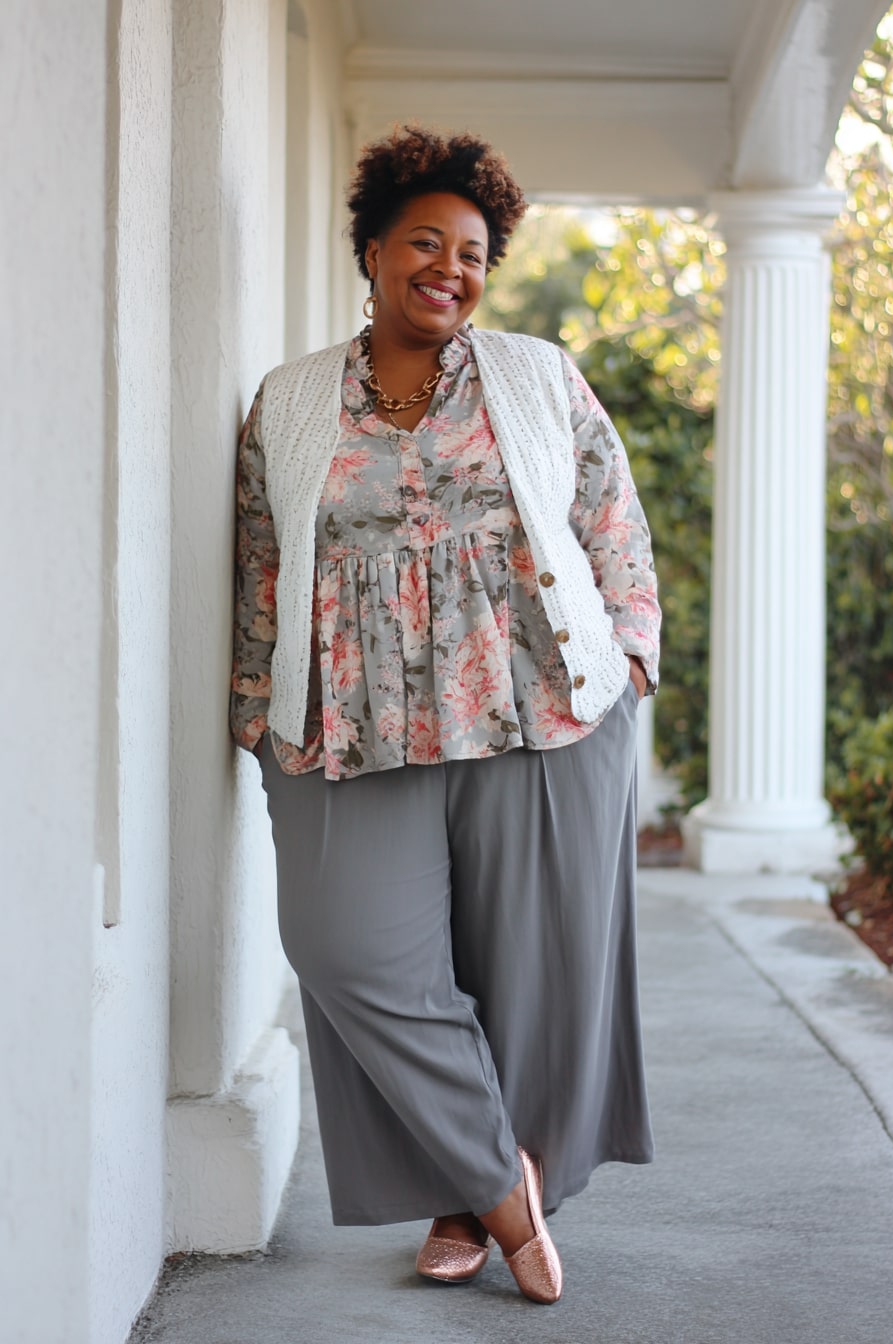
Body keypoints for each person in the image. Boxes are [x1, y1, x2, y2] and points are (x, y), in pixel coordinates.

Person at [230, 125, 660, 1306]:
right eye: (425, 242)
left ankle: (462, 1199)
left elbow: (610, 520)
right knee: (346, 946)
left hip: (539, 711)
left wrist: (628, 655)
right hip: (347, 726)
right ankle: (501, 1185)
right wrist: (260, 706)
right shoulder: (290, 399)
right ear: (372, 250)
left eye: (471, 253)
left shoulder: (534, 375)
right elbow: (263, 558)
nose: (449, 269)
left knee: (523, 971)